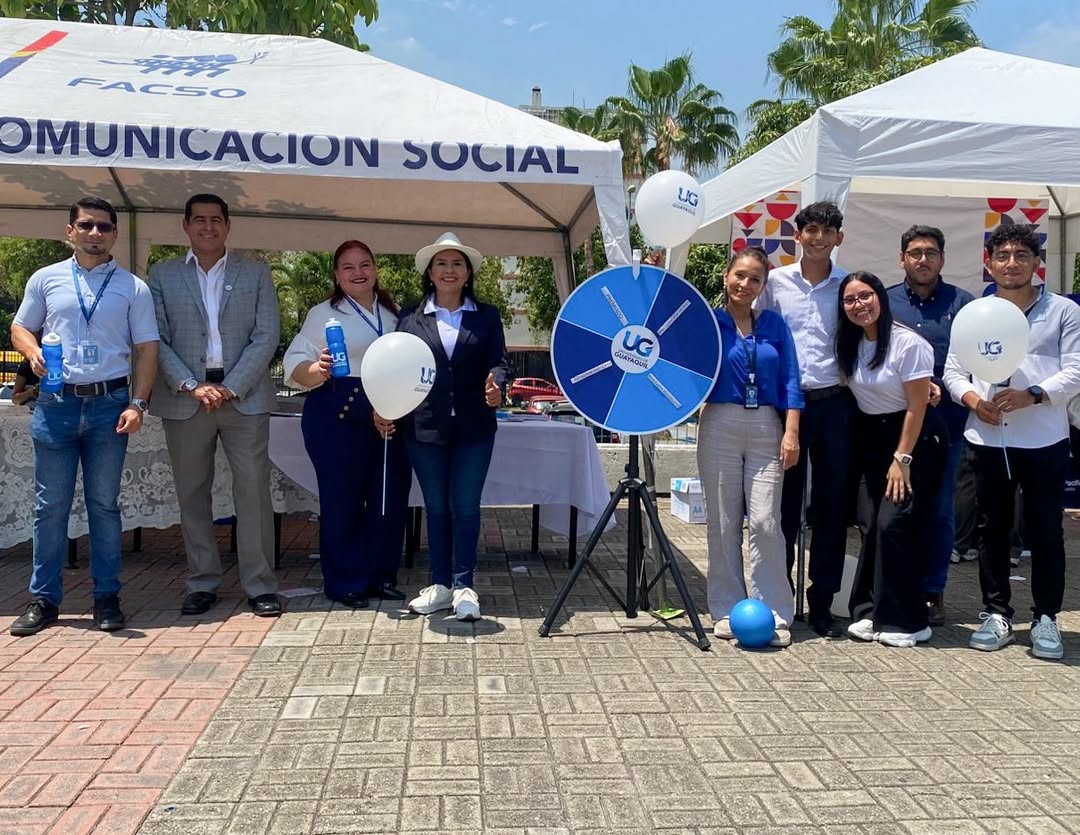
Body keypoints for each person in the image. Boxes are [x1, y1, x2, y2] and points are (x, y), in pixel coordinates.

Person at [8, 196, 159, 636]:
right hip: (56, 403)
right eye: (87, 225)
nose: (96, 233)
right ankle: (44, 599)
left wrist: (139, 403)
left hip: (110, 404)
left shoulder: (133, 287)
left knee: (104, 506)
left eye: (105, 227)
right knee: (49, 506)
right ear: (69, 230)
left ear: (114, 233)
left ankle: (106, 597)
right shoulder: (46, 279)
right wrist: (32, 351)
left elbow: (147, 349)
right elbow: (20, 327)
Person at [944, 224, 1080, 660]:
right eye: (1002, 255)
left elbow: (1076, 369)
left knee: (1045, 532)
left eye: (1021, 255)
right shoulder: (975, 313)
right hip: (987, 438)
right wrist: (970, 399)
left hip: (1044, 440)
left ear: (1036, 262)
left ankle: (1046, 618)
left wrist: (1034, 394)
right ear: (989, 262)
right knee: (991, 530)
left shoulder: (1062, 311)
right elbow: (952, 371)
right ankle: (996, 612)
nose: (1011, 263)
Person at [148, 193, 281, 618]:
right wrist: (191, 384)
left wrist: (230, 386)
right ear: (186, 226)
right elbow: (156, 339)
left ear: (228, 226)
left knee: (254, 494)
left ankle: (260, 585)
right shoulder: (162, 275)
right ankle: (202, 582)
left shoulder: (255, 272)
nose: (208, 227)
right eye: (199, 220)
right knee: (192, 494)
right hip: (186, 399)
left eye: (216, 220)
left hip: (244, 398)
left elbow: (266, 335)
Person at [377, 232, 507, 622]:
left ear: (467, 273)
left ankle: (465, 586)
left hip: (474, 428)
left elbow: (500, 362)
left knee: (465, 507)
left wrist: (497, 384)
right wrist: (384, 406)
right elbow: (394, 369)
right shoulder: (409, 319)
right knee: (436, 508)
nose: (449, 271)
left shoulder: (487, 316)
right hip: (424, 428)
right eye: (441, 264)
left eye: (457, 264)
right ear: (429, 273)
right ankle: (440, 585)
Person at [283, 240, 411, 608]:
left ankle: (381, 576)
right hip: (336, 413)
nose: (358, 272)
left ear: (375, 269)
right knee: (343, 500)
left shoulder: (394, 314)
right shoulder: (323, 314)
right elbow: (295, 363)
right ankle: (345, 581)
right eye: (348, 267)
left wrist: (395, 406)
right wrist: (317, 370)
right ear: (337, 275)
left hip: (390, 412)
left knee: (388, 497)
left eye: (365, 264)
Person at [697, 247, 803, 647]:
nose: (745, 284)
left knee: (764, 522)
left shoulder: (774, 324)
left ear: (763, 285)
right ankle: (725, 608)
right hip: (720, 421)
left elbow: (792, 379)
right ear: (726, 277)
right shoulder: (708, 323)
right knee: (722, 524)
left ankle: (773, 611)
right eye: (739, 275)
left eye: (755, 278)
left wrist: (790, 431)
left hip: (767, 426)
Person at [757, 200, 852, 637]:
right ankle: (780, 597)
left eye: (826, 230)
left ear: (838, 237)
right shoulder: (775, 282)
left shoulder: (849, 286)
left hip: (836, 404)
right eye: (809, 230)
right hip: (785, 408)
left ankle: (822, 602)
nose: (817, 237)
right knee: (783, 508)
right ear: (797, 236)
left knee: (832, 509)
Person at [837, 271, 945, 647]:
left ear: (881, 297)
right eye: (849, 300)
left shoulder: (907, 343)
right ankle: (870, 612)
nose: (858, 306)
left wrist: (903, 459)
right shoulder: (849, 343)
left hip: (911, 441)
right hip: (872, 441)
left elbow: (917, 406)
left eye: (865, 296)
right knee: (870, 525)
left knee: (894, 526)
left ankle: (910, 621)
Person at [886, 225, 973, 626]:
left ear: (942, 258)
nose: (923, 260)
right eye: (915, 252)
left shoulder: (964, 305)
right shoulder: (884, 303)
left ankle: (933, 591)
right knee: (893, 513)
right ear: (902, 258)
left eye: (931, 253)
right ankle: (890, 588)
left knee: (939, 513)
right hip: (893, 424)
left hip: (947, 426)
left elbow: (977, 364)